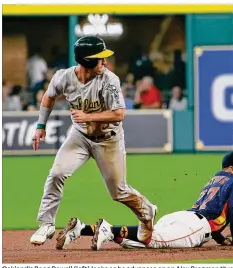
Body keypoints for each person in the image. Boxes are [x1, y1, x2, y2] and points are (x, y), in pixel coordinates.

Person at [30, 36, 157, 247]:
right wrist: (40, 126)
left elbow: (119, 114)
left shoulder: (110, 80)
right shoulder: (64, 78)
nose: (105, 62)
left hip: (108, 140)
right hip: (80, 136)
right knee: (57, 173)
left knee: (118, 192)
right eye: (100, 59)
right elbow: (49, 96)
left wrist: (88, 116)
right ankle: (46, 223)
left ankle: (147, 212)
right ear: (87, 61)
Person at [55, 151, 233, 250]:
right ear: (232, 168)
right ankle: (108, 229)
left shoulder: (218, 178)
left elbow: (216, 212)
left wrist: (221, 239)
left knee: (142, 242)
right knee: (152, 241)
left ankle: (82, 229)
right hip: (195, 226)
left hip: (182, 217)